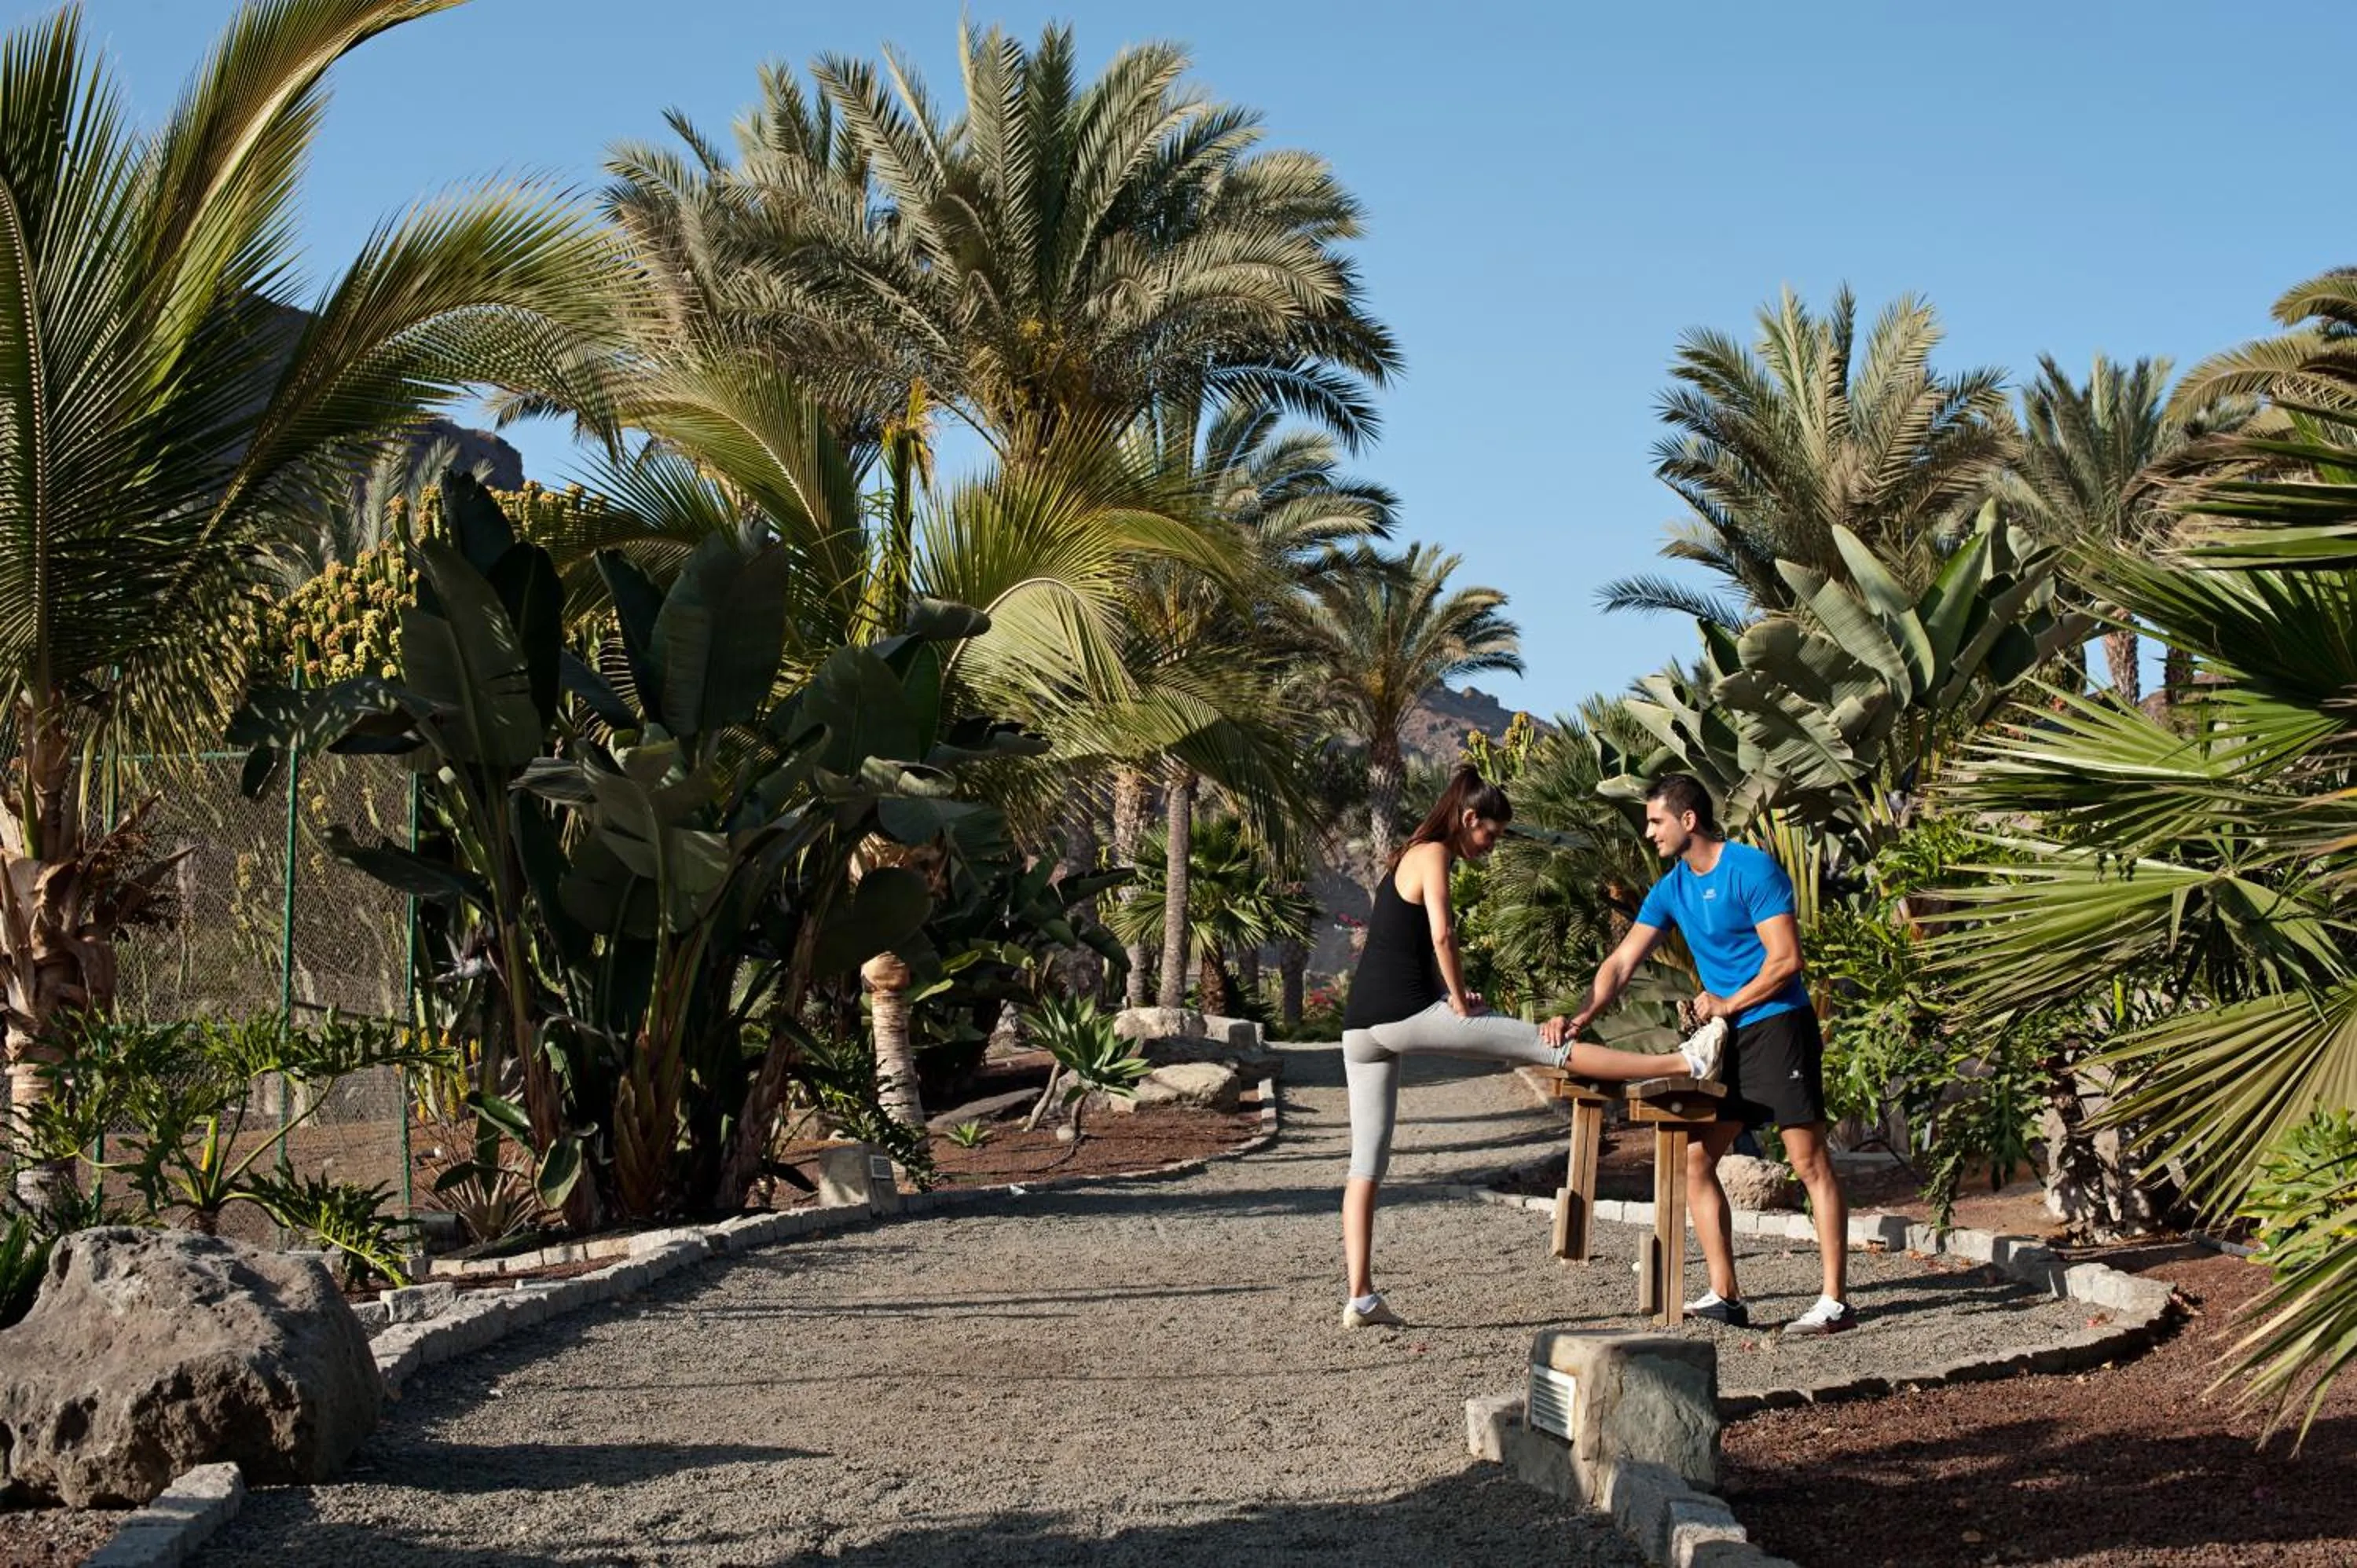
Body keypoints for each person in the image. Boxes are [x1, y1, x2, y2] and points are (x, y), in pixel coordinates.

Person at [1340, 766, 1721, 1330]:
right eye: (1488, 836)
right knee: (1549, 1045)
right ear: (1468, 820)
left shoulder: (1404, 858)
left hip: (1361, 1028)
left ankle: (1361, 1297)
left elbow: (1403, 946)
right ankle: (1684, 1059)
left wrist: (1450, 990)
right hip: (1405, 1017)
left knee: (1365, 1164)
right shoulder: (1435, 855)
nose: (1490, 847)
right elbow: (1443, 934)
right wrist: (1463, 1007)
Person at [1561, 772, 1853, 1335]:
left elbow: (1786, 960)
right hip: (1727, 1040)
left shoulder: (1750, 869)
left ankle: (1835, 1301)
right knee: (1697, 1161)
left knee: (1808, 1160)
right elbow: (1621, 964)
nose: (1649, 832)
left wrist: (1726, 1003)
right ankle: (1726, 1294)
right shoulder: (1671, 888)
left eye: (1655, 821)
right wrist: (1579, 1019)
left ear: (1688, 820)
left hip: (1777, 1025)